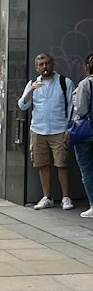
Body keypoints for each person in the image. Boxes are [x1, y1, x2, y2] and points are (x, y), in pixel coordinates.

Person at [18, 52, 75, 209]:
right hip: (38, 130)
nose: (45, 67)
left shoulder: (65, 82)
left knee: (61, 163)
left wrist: (68, 129)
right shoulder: (32, 84)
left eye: (47, 63)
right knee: (42, 164)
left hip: (59, 129)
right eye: (41, 64)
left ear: (53, 65)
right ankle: (46, 197)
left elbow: (72, 107)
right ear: (36, 68)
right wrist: (30, 91)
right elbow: (22, 105)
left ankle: (66, 197)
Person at [72, 52, 93, 219]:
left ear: (87, 67)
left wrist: (74, 96)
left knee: (87, 169)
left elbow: (80, 110)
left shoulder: (85, 84)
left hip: (86, 133)